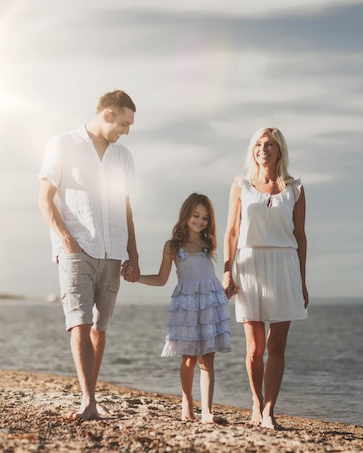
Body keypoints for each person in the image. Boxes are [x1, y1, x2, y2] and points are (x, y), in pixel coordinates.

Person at [38, 89, 141, 420]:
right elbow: (45, 198)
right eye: (124, 123)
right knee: (79, 323)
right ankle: (87, 400)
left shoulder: (123, 157)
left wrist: (133, 254)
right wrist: (66, 239)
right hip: (77, 248)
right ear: (107, 114)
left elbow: (126, 206)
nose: (126, 131)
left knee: (100, 327)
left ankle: (91, 397)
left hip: (113, 252)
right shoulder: (63, 144)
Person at [222, 127, 308, 429]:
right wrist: (227, 270)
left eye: (270, 144)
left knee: (278, 345)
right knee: (255, 348)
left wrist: (302, 279)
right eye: (259, 144)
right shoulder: (241, 185)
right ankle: (256, 405)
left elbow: (300, 235)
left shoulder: (295, 188)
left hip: (284, 264)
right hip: (250, 263)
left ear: (280, 150)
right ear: (253, 150)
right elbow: (232, 231)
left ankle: (270, 410)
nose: (264, 149)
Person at [136, 193, 231, 423]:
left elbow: (211, 277)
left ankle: (207, 411)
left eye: (205, 218)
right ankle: (187, 401)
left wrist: (227, 287)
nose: (200, 221)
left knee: (208, 358)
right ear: (186, 215)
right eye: (196, 216)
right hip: (187, 306)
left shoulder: (208, 244)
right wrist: (136, 277)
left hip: (210, 304)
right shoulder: (173, 246)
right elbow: (161, 279)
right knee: (189, 358)